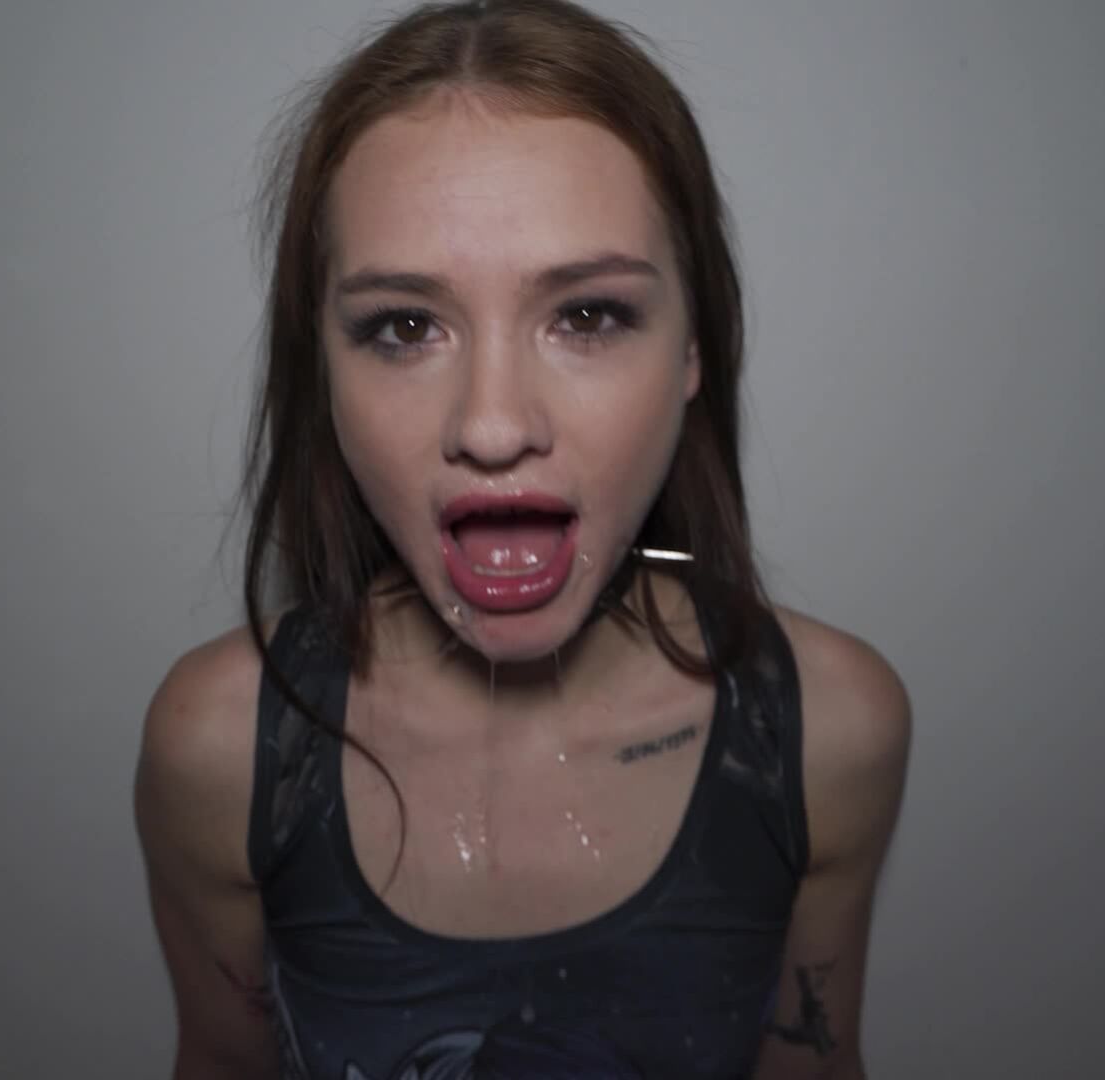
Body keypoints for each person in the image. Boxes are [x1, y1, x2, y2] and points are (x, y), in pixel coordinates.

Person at [132, 1, 911, 1077]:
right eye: (404, 326)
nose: (494, 425)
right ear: (325, 374)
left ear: (693, 348)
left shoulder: (829, 731)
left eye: (588, 315)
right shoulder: (216, 748)